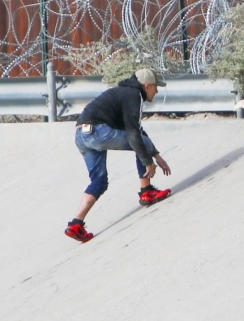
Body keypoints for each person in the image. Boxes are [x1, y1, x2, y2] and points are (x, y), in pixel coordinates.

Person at [64, 67, 173, 243]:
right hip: (98, 132)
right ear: (147, 86)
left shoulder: (123, 93)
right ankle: (147, 192)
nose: (157, 90)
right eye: (155, 87)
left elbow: (135, 129)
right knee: (139, 142)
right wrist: (148, 162)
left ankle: (76, 224)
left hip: (81, 135)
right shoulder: (134, 96)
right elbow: (134, 135)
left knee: (99, 181)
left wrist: (156, 155)